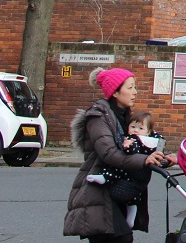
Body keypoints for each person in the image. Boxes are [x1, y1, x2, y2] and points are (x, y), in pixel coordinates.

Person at [65, 67, 176, 242]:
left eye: (135, 87)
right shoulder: (98, 117)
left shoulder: (125, 117)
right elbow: (109, 153)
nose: (135, 92)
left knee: (119, 237)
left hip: (117, 187)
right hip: (98, 189)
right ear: (115, 92)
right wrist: (144, 160)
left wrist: (162, 157)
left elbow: (142, 144)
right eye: (130, 88)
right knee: (121, 237)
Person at [84, 112, 161, 228]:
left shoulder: (136, 140)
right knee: (134, 199)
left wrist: (127, 146)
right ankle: (131, 218)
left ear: (148, 132)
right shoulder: (153, 141)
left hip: (132, 172)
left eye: (140, 128)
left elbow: (132, 151)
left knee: (116, 168)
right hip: (140, 176)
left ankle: (105, 177)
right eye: (133, 127)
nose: (136, 130)